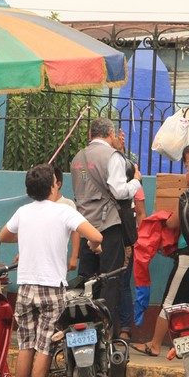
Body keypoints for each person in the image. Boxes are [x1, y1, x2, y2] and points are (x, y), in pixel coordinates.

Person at [0, 164, 103, 377]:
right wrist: (93, 244)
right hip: (51, 288)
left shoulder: (23, 212)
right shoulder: (63, 211)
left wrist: (28, 237)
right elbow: (96, 235)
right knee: (44, 346)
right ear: (54, 186)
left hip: (25, 288)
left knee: (26, 346)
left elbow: (4, 236)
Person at [131, 155, 189, 357]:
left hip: (188, 255)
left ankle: (155, 344)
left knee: (170, 300)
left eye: (187, 170)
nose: (185, 175)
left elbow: (173, 223)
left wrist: (164, 219)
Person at [71, 117, 142, 338]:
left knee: (87, 279)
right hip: (108, 226)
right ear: (111, 134)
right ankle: (105, 331)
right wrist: (136, 181)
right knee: (110, 279)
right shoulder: (112, 156)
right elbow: (119, 191)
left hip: (85, 226)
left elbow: (83, 185)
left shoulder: (78, 158)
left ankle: (83, 328)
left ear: (90, 134)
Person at [112, 128, 146, 341]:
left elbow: (141, 213)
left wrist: (140, 241)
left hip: (126, 238)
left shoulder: (132, 178)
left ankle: (125, 327)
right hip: (105, 234)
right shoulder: (104, 172)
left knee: (123, 282)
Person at [52, 165, 79, 271]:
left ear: (58, 184)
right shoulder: (39, 204)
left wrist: (74, 257)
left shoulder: (68, 204)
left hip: (58, 259)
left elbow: (75, 231)